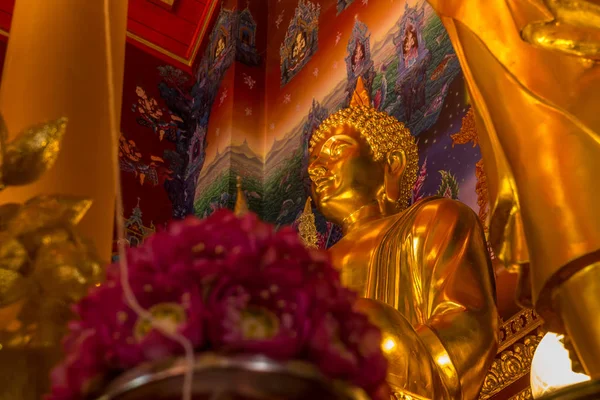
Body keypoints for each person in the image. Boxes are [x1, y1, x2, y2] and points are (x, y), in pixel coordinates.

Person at [308, 78, 498, 399]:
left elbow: (468, 324)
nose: (316, 169)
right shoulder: (307, 270)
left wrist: (377, 334)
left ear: (391, 163)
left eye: (336, 149)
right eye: (313, 164)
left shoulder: (434, 220)